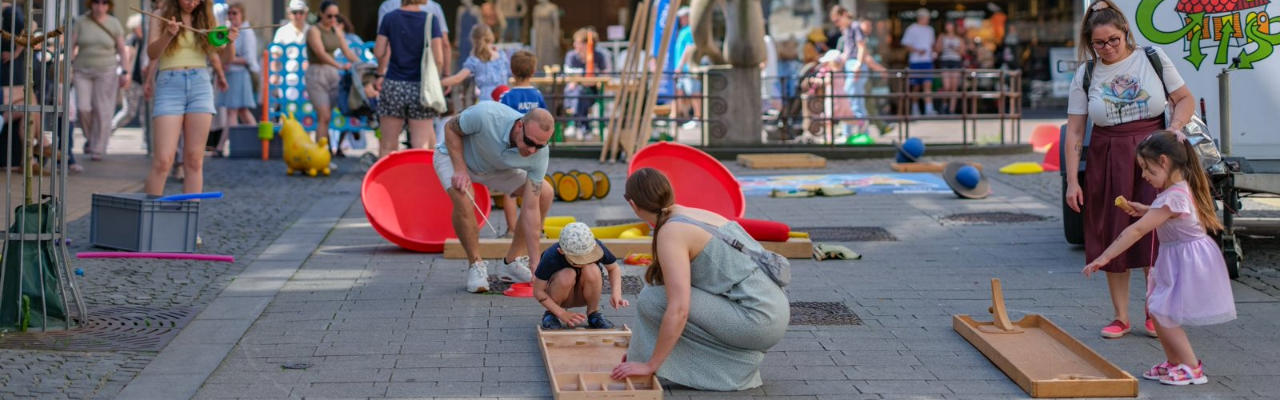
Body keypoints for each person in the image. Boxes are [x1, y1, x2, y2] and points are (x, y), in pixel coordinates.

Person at [1065, 0, 1196, 340]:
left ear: (1125, 34)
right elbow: (1076, 130)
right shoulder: (1086, 72)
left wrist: (1174, 129)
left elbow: (1184, 98)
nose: (1107, 48)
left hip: (1154, 154)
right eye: (1099, 43)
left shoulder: (1151, 57)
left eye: (1113, 40)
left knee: (1156, 231)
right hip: (1108, 154)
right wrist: (1070, 181)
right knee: (1113, 228)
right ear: (1089, 42)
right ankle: (1121, 316)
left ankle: (1155, 310)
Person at [610, 168, 789, 391]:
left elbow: (679, 309)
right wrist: (643, 346)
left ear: (633, 205)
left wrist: (650, 364)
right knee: (661, 288)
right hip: (773, 309)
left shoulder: (670, 233)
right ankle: (657, 354)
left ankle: (727, 370)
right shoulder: (692, 214)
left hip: (759, 320)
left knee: (654, 298)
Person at [1083, 131, 1236, 385]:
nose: (1143, 175)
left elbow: (1137, 230)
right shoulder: (1174, 191)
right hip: (1178, 256)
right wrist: (1147, 210)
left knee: (1163, 311)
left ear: (1164, 161)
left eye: (1146, 169)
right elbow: (1165, 215)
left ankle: (1191, 367)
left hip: (1186, 260)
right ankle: (1174, 361)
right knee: (1158, 308)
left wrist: (1104, 257)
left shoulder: (1172, 196)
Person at [435, 102, 555, 293]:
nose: (532, 151)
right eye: (529, 142)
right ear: (519, 126)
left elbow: (531, 208)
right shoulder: (487, 114)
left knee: (545, 194)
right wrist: (460, 169)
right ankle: (476, 265)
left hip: (494, 168)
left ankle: (511, 263)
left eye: (540, 146)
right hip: (455, 157)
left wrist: (535, 263)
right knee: (463, 197)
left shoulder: (540, 154)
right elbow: (450, 127)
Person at [143, 0, 238, 197]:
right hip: (170, 84)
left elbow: (225, 58)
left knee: (194, 160)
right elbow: (152, 53)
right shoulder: (160, 14)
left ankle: (189, 224)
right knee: (163, 161)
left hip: (200, 84)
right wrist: (169, 34)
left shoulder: (205, 17)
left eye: (198, 0)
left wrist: (230, 42)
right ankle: (147, 224)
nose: (192, 3)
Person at [374, 0, 445, 157]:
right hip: (422, 88)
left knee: (388, 145)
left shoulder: (389, 17)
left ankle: (388, 181)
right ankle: (417, 181)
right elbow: (439, 58)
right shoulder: (430, 19)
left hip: (394, 85)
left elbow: (378, 52)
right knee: (421, 146)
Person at [533, 222, 627, 330]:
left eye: (588, 258)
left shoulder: (595, 246)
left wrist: (616, 292)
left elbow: (614, 268)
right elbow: (538, 291)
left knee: (592, 269)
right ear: (561, 251)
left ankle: (593, 313)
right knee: (567, 274)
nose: (583, 263)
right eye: (577, 261)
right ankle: (551, 315)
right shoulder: (551, 256)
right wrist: (562, 313)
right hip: (561, 297)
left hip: (585, 295)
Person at [496, 50, 545, 238]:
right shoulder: (538, 96)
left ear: (512, 70)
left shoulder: (506, 97)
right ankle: (534, 229)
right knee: (534, 189)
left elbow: (501, 123)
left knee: (510, 191)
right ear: (533, 70)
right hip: (534, 152)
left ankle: (511, 229)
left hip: (513, 150)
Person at [72, 0, 128, 161]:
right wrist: (68, 65)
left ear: (109, 5)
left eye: (104, 2)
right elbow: (71, 45)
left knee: (103, 110)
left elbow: (122, 50)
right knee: (83, 108)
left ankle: (98, 147)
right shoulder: (81, 22)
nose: (100, 5)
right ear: (91, 4)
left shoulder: (114, 23)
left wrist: (125, 71)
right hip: (82, 70)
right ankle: (91, 138)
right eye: (97, 2)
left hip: (107, 71)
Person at [306, 1, 361, 151]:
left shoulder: (336, 30)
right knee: (324, 116)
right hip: (316, 73)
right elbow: (320, 53)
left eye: (336, 16)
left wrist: (363, 64)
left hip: (332, 74)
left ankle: (328, 151)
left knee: (330, 116)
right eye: (329, 16)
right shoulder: (314, 30)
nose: (333, 19)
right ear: (321, 14)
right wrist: (339, 65)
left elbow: (347, 52)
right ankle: (321, 153)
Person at [211, 2, 258, 157]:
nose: (231, 16)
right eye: (229, 13)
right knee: (242, 112)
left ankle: (224, 146)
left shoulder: (247, 32)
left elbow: (249, 58)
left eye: (235, 13)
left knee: (232, 112)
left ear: (242, 15)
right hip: (231, 74)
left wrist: (227, 59)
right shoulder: (228, 30)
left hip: (239, 74)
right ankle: (259, 142)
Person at [562, 27, 609, 139]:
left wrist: (583, 78)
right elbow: (568, 72)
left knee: (581, 92)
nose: (575, 45)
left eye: (578, 43)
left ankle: (573, 123)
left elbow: (605, 74)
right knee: (579, 92)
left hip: (592, 89)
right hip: (575, 90)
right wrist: (582, 77)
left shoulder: (599, 55)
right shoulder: (571, 56)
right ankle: (585, 127)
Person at [441, 24, 508, 103]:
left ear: (473, 40)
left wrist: (438, 83)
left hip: (486, 102)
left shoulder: (474, 59)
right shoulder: (502, 56)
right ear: (490, 37)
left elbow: (457, 78)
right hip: (504, 100)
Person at [111, 14, 147, 133]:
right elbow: (126, 57)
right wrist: (126, 76)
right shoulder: (133, 39)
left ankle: (147, 140)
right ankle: (109, 129)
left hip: (143, 81)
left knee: (144, 112)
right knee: (129, 112)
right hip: (134, 81)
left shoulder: (144, 40)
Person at [901, 8, 936, 116]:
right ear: (920, 18)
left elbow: (931, 45)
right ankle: (915, 109)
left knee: (927, 85)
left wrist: (932, 54)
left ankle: (929, 109)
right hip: (915, 62)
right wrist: (917, 51)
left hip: (927, 61)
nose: (928, 20)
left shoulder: (930, 30)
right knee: (916, 86)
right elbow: (906, 45)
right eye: (926, 18)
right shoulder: (912, 29)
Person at [934, 20, 966, 115]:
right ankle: (944, 105)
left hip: (955, 61)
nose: (947, 27)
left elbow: (963, 52)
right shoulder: (942, 36)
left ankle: (952, 109)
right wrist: (943, 47)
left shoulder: (959, 38)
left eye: (949, 25)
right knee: (946, 86)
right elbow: (937, 49)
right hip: (945, 61)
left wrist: (957, 49)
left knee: (954, 87)